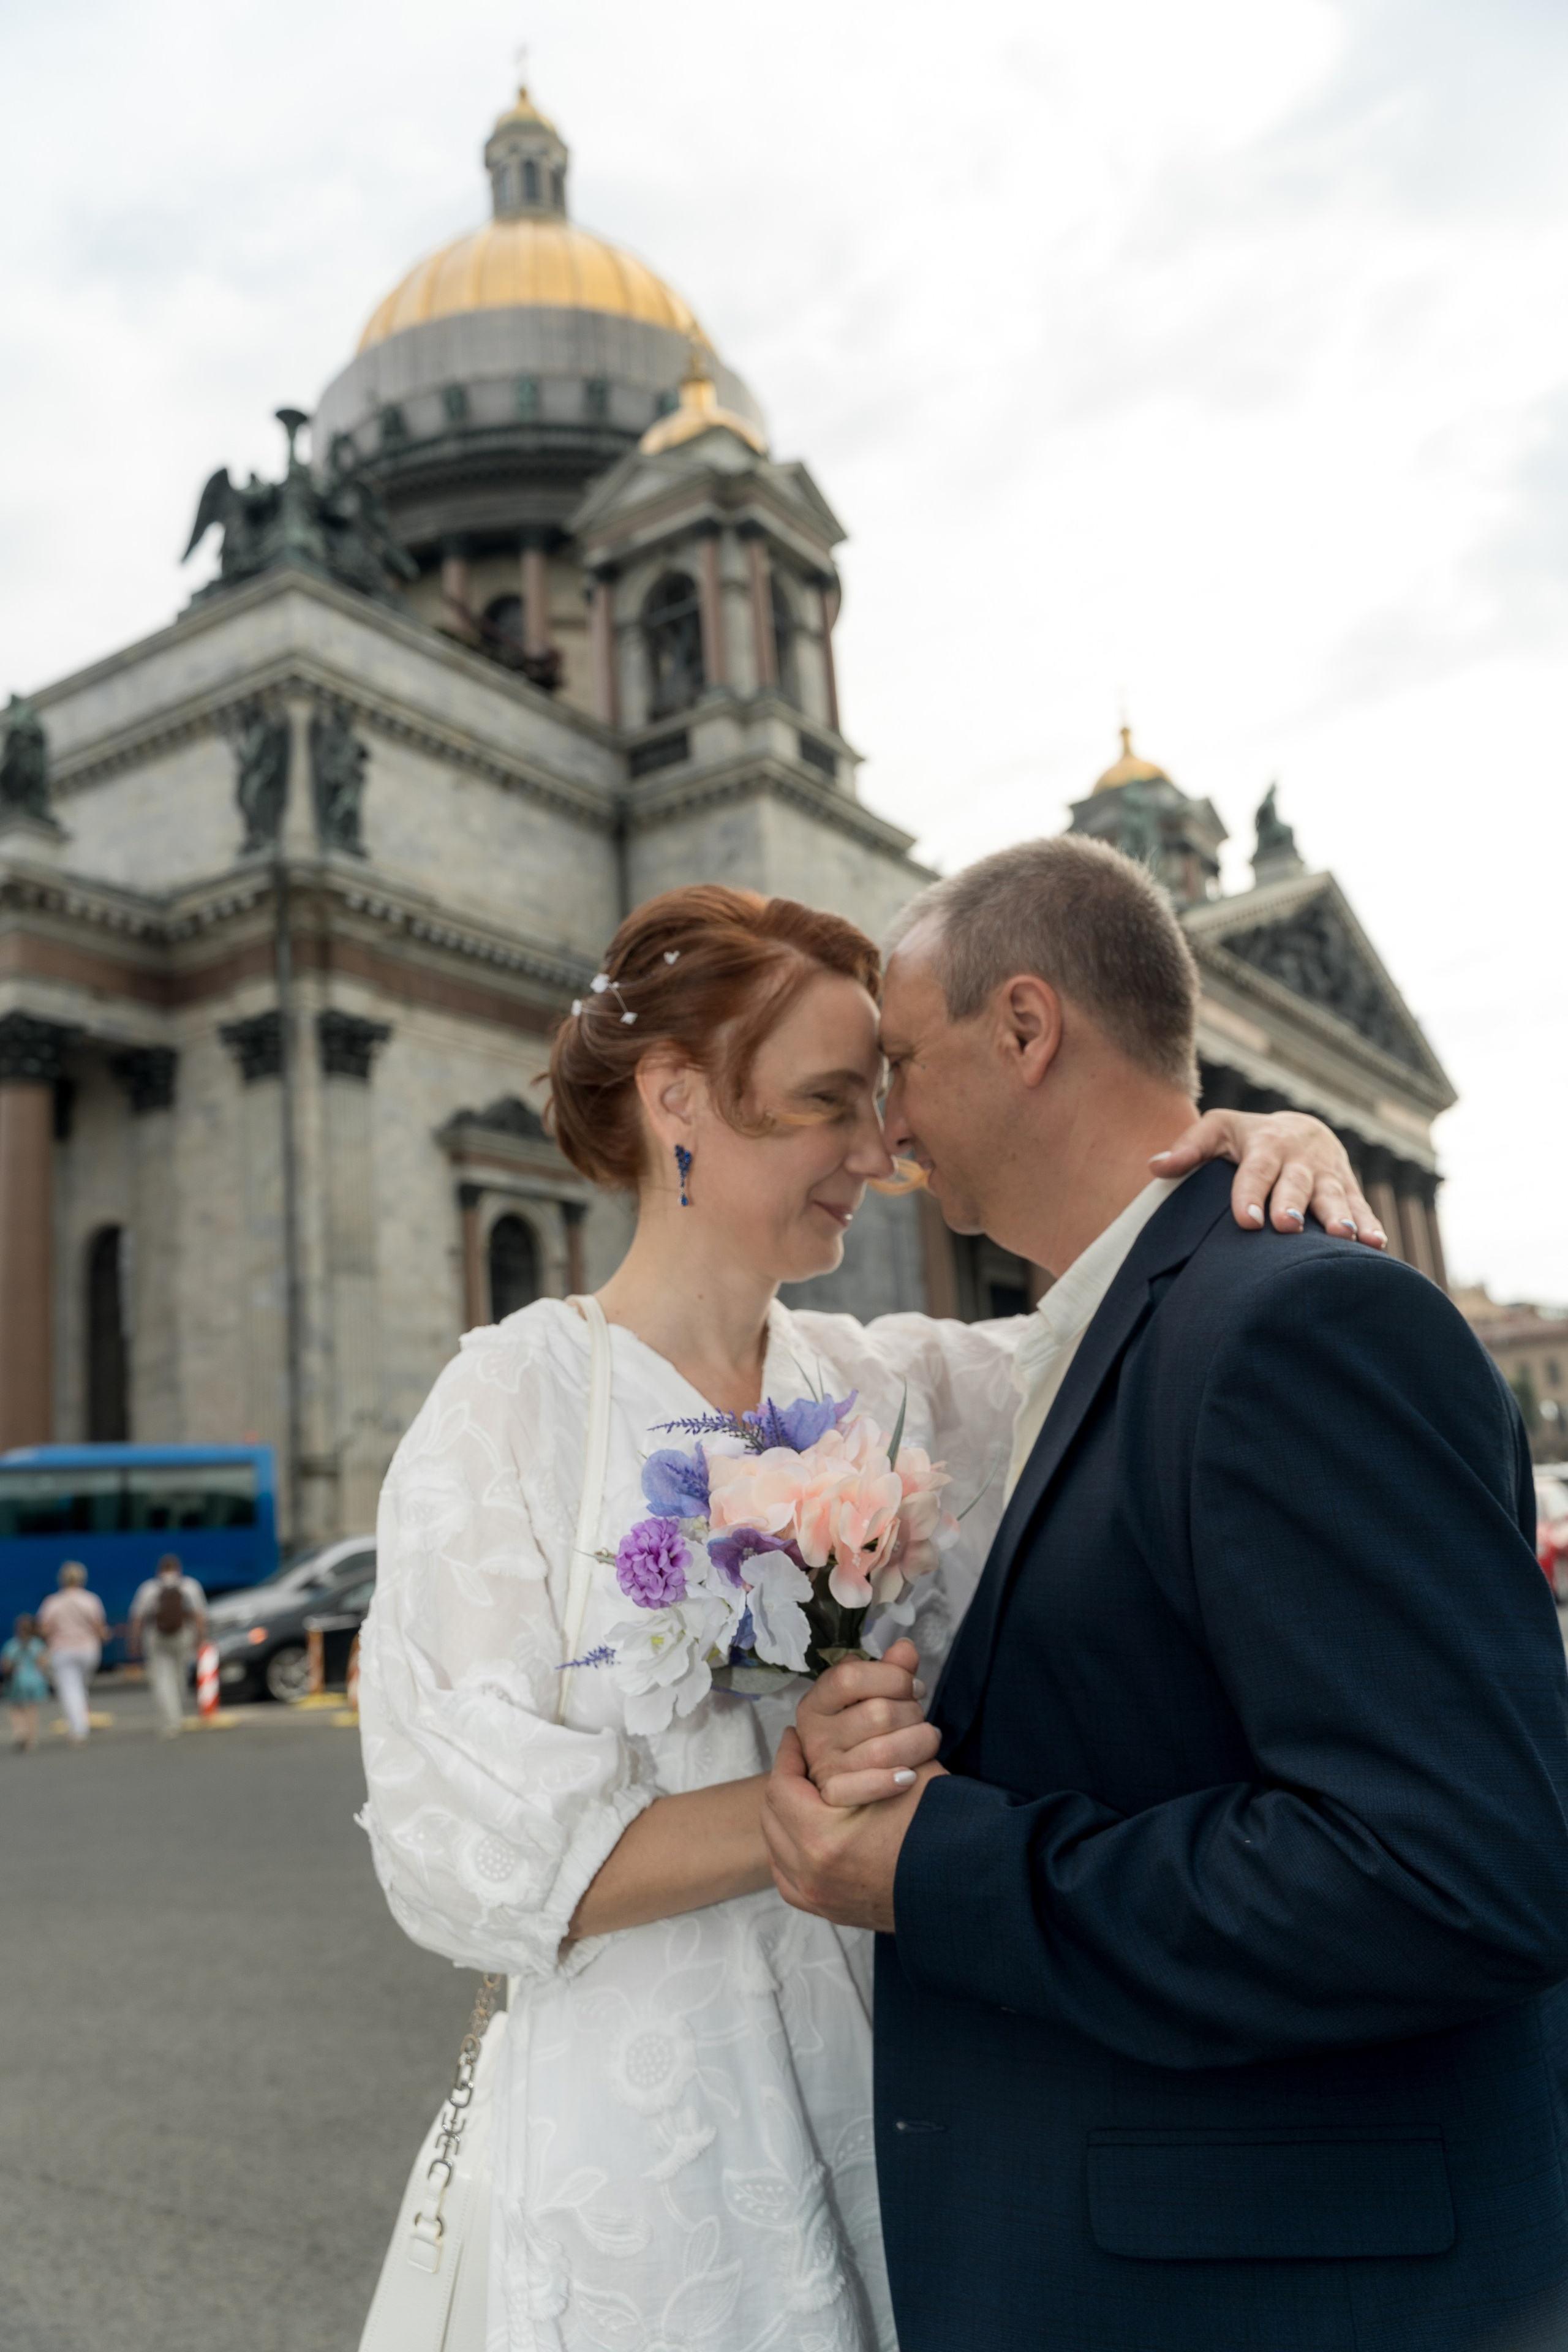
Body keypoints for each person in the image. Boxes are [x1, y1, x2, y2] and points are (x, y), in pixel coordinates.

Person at [358, 882, 1373, 2352]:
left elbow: (1154, 1326)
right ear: (676, 1099)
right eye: (832, 1101)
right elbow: (464, 1847)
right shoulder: (513, 1402)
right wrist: (802, 1805)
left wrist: (1255, 1153)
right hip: (656, 2121)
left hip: (925, 2083)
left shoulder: (900, 1381)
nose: (880, 1148)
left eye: (882, 1100)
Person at [761, 837, 1568, 2352]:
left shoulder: (1292, 1320)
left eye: (902, 1062)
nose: (884, 1126)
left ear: (1024, 1028)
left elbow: (1451, 1868)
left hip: (1293, 2286)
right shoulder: (1114, 1326)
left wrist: (932, 1867)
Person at [129, 1554, 208, 1739]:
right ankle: (178, 1714)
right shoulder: (190, 1586)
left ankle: (171, 1721)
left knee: (162, 1678)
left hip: (157, 1636)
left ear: (160, 1570)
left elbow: (138, 1618)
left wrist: (134, 1641)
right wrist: (200, 1638)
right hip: (183, 1635)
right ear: (178, 1569)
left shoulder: (149, 1588)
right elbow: (199, 1615)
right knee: (180, 1675)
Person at [36, 1562, 107, 1744]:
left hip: (63, 1650)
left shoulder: (53, 1602)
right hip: (89, 1650)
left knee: (70, 1689)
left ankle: (78, 1729)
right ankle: (83, 1717)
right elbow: (99, 1627)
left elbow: (44, 1629)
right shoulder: (91, 1600)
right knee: (80, 1687)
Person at [2, 1613, 50, 1752]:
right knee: (32, 1710)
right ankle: (32, 1739)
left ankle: (20, 1730)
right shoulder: (38, 1644)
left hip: (17, 1681)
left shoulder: (11, 1645)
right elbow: (43, 1662)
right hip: (35, 1680)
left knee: (15, 1708)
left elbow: (7, 1665)